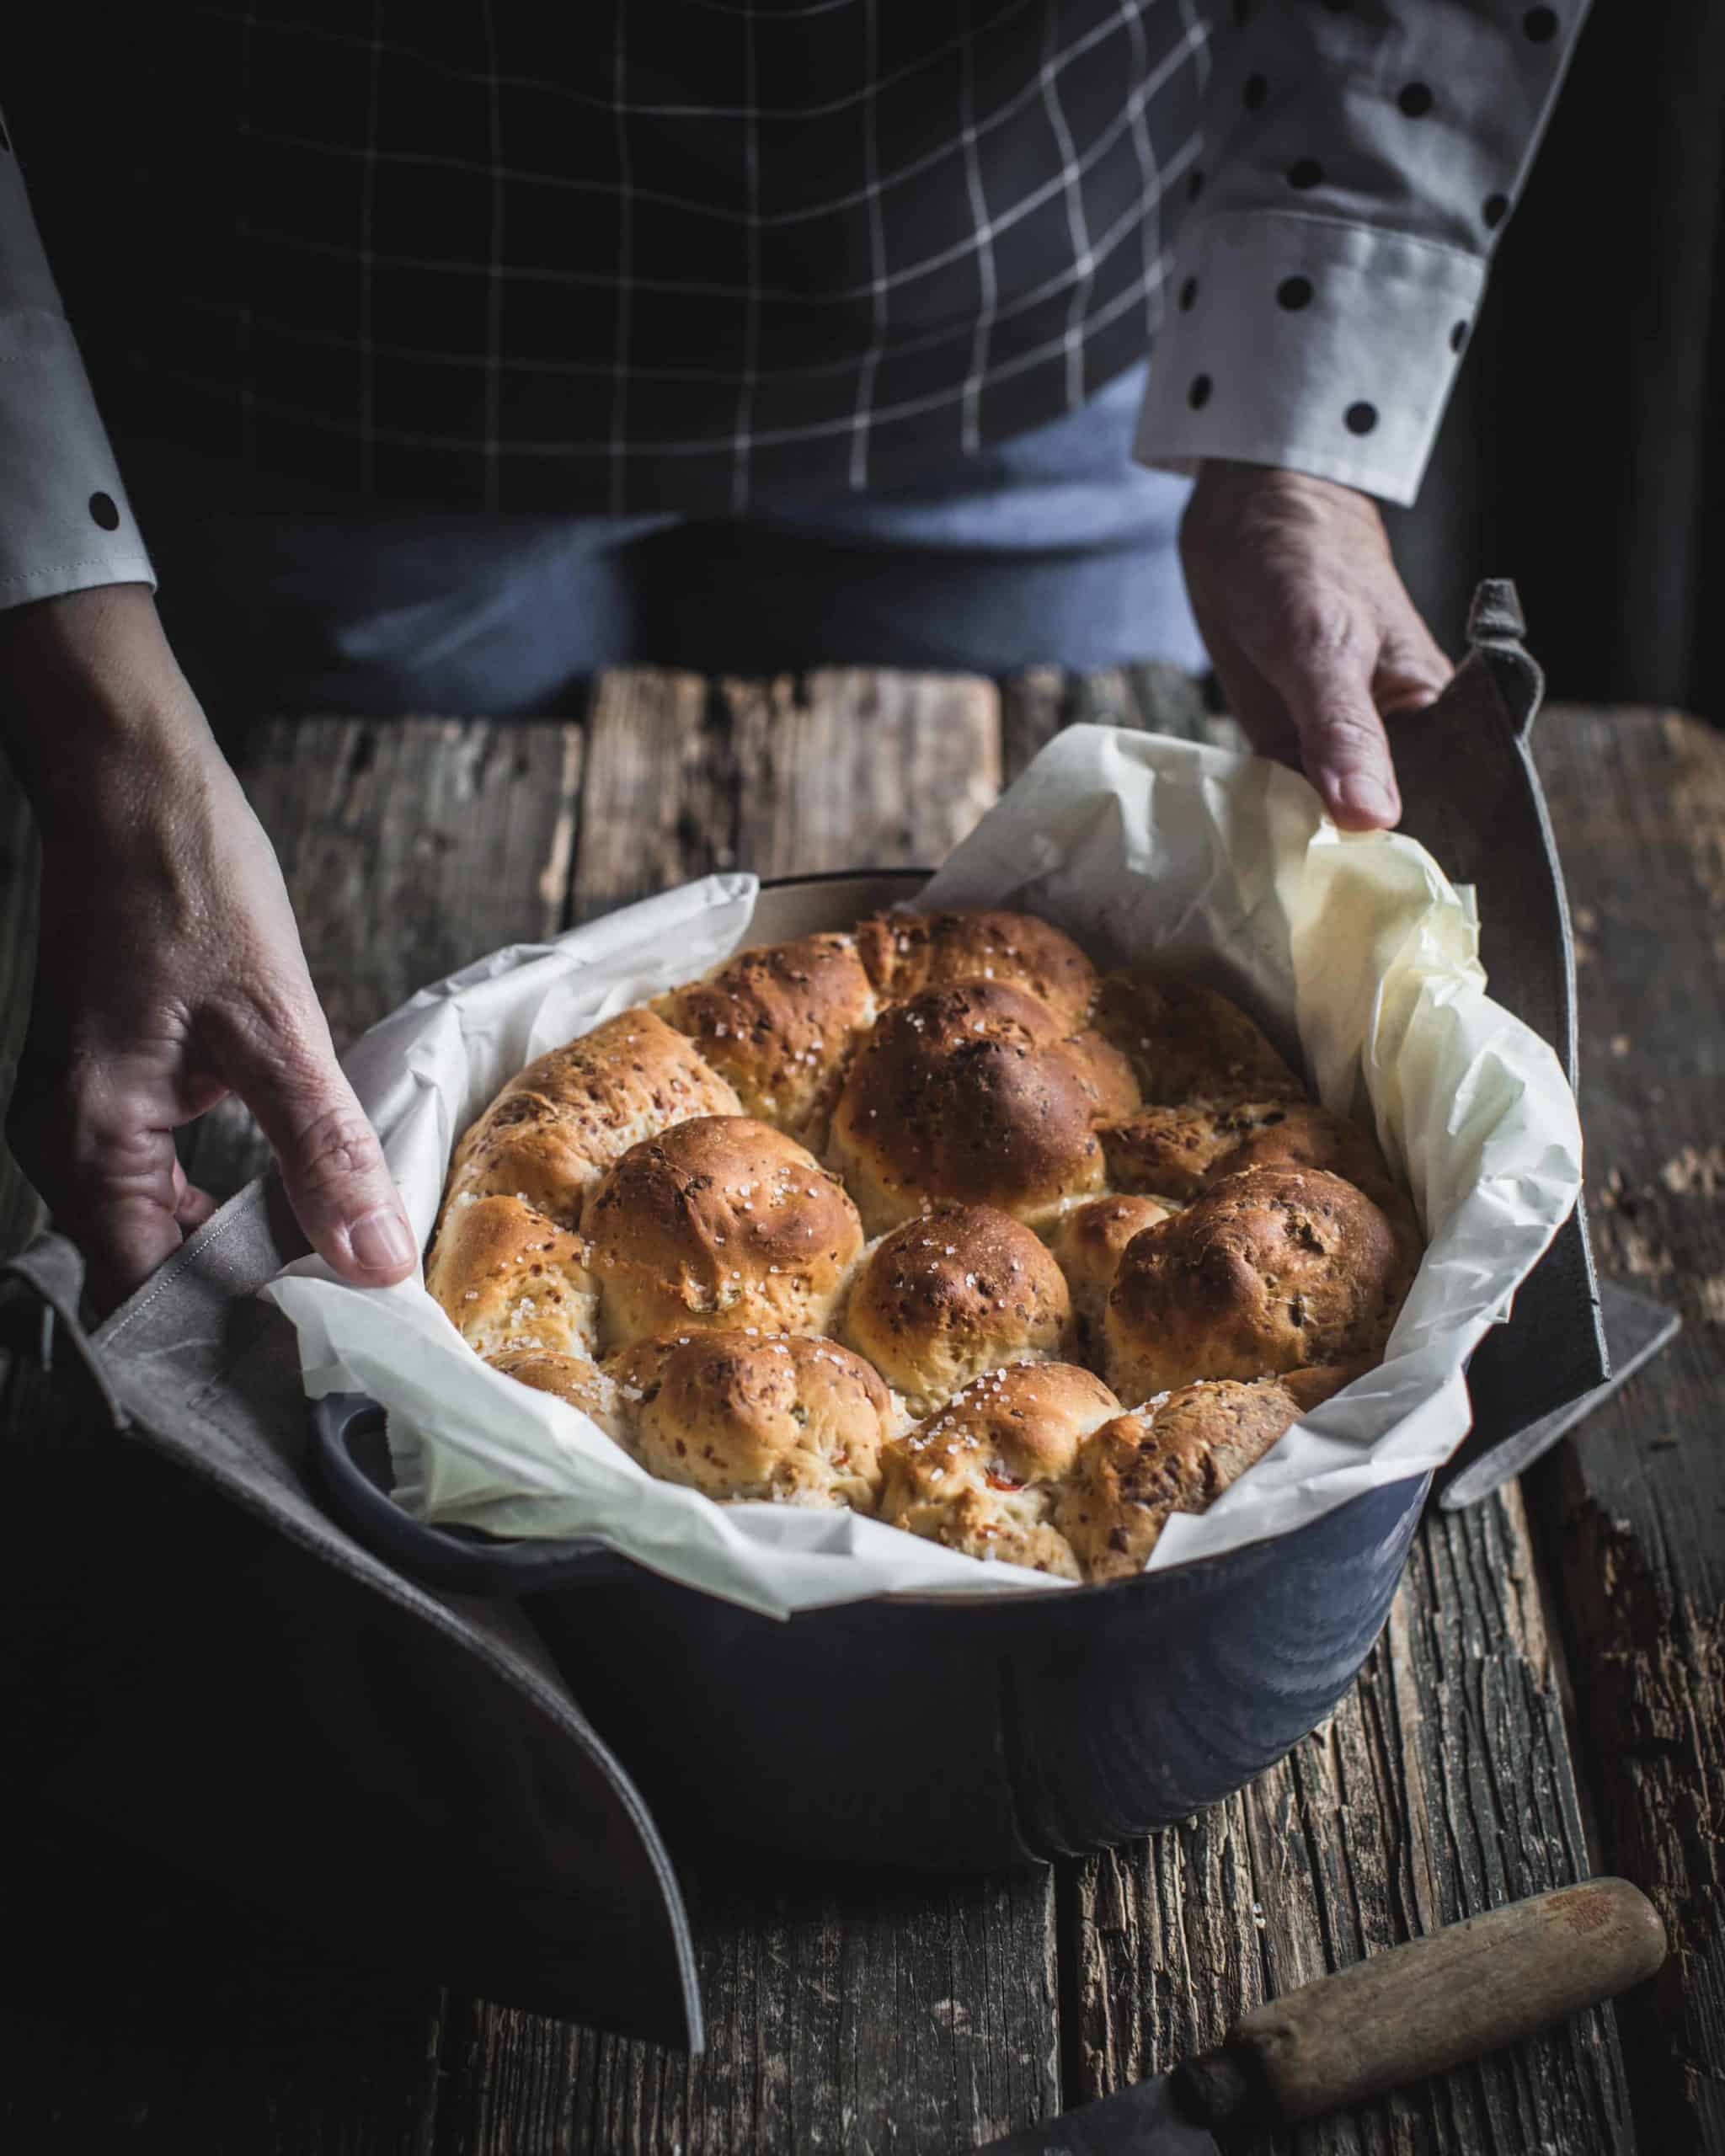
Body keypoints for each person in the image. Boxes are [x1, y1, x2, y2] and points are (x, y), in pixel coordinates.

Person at [0, 3, 1585, 1312]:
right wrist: (106, 734)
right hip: (336, 344)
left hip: (1044, 311)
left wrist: (1303, 428)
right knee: (349, 993)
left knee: (1166, 931)